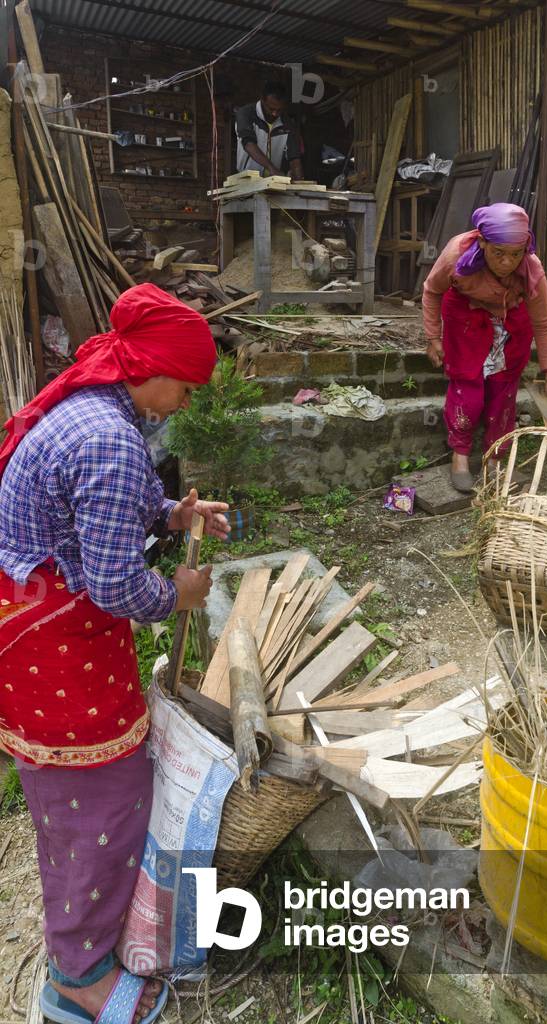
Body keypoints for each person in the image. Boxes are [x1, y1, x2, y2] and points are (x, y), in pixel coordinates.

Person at [0, 284, 231, 1024]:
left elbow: (95, 506)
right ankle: (77, 978)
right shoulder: (109, 437)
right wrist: (181, 595)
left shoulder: (93, 407)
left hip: (37, 629)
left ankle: (78, 938)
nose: (186, 403)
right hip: (57, 641)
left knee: (73, 798)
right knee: (98, 798)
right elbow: (113, 582)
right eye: (187, 387)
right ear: (154, 367)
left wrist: (173, 513)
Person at [422, 203, 547, 492]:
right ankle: (460, 458)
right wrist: (433, 337)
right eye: (498, 253)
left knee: (503, 395)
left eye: (515, 254)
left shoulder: (531, 268)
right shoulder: (456, 255)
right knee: (468, 392)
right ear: (482, 241)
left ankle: (495, 459)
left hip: (511, 323)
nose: (507, 262)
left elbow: (544, 322)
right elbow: (431, 291)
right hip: (465, 317)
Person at [234, 80, 303, 180]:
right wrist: (272, 168)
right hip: (247, 180)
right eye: (271, 109)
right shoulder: (245, 114)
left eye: (279, 110)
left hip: (273, 182)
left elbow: (294, 157)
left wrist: (298, 177)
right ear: (262, 100)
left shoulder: (287, 124)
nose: (275, 114)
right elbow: (249, 144)